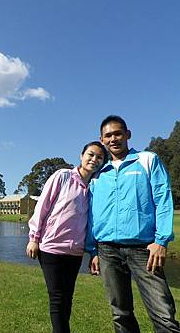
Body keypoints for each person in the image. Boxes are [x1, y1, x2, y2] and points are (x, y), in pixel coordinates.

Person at [86, 115, 180, 333]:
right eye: (108, 135)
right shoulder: (98, 172)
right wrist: (92, 250)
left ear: (127, 134)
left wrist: (161, 240)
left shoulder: (148, 160)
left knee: (163, 315)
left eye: (118, 133)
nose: (114, 139)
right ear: (102, 140)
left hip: (144, 249)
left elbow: (163, 200)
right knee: (120, 314)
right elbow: (92, 213)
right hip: (107, 250)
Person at [26, 141, 107, 333]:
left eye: (99, 157)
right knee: (56, 296)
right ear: (81, 156)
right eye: (90, 154)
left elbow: (93, 222)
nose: (94, 160)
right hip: (51, 248)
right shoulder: (63, 176)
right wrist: (33, 238)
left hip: (76, 252)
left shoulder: (96, 187)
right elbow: (42, 207)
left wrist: (93, 251)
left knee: (67, 296)